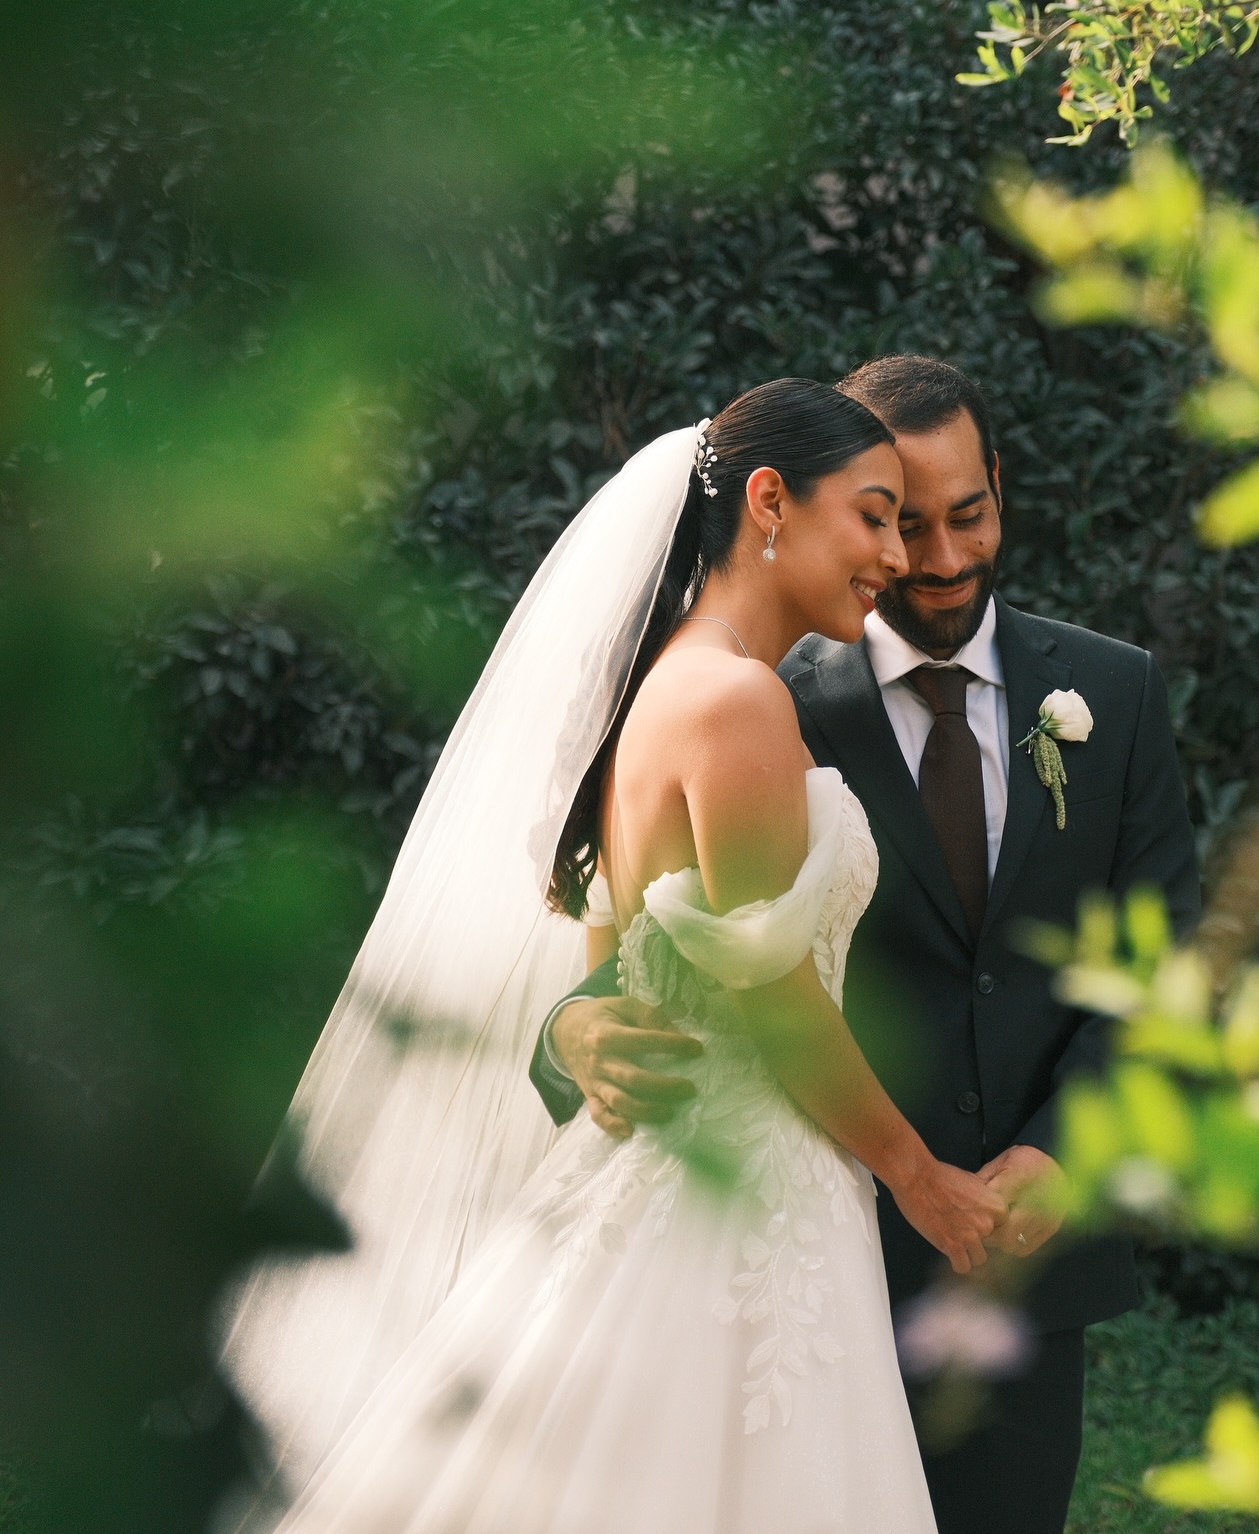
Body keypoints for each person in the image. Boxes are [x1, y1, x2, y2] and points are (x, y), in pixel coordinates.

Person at [221, 376, 1016, 1534]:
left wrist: (589, 1021)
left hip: (695, 1163)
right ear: (769, 502)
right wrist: (916, 1172)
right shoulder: (738, 700)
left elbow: (618, 954)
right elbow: (777, 995)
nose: (897, 554)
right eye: (875, 513)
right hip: (738, 1202)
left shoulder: (662, 686)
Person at [532, 354, 1202, 1534]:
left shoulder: (1116, 691)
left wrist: (1067, 1150)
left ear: (1002, 484)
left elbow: (1162, 968)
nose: (933, 559)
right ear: (807, 502)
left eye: (966, 515)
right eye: (896, 520)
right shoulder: (760, 693)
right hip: (798, 1249)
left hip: (1019, 1273)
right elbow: (643, 942)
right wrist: (573, 1025)